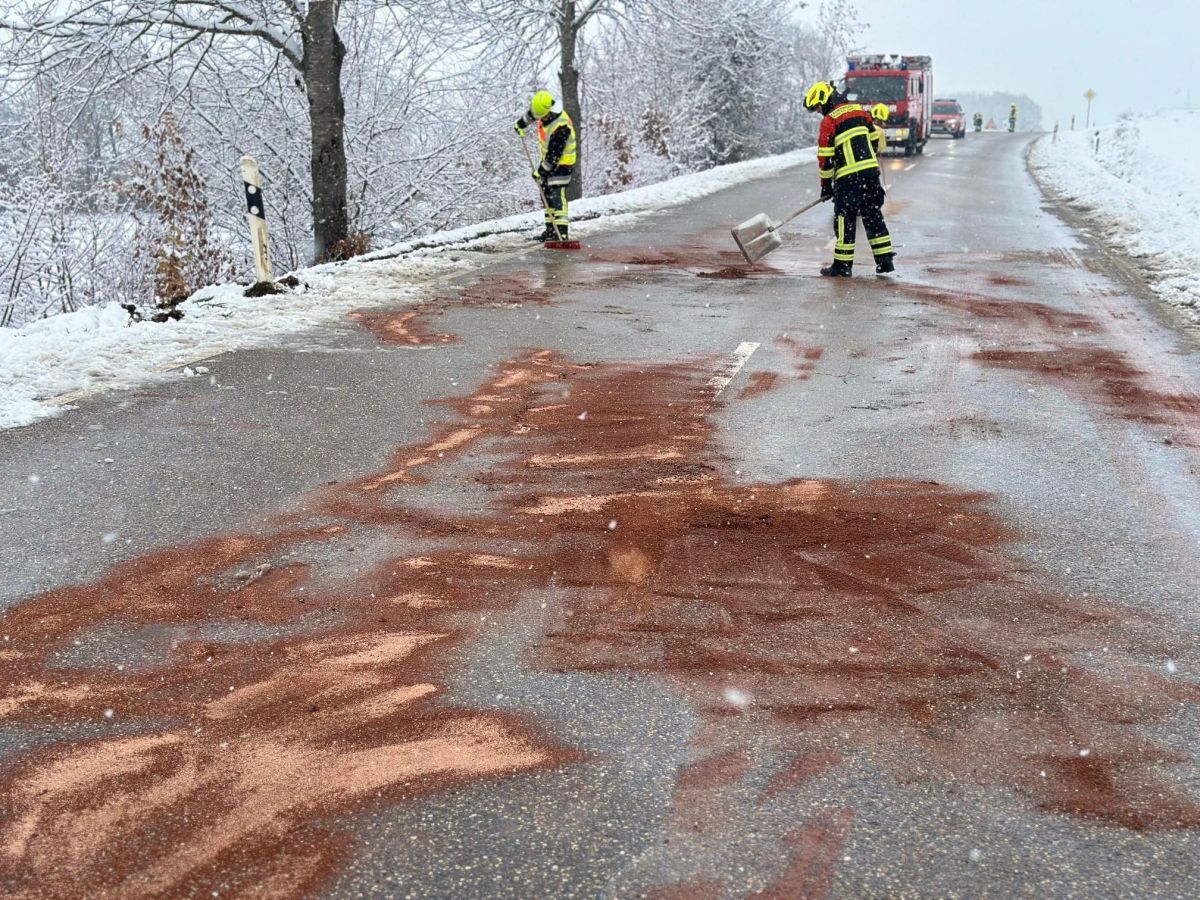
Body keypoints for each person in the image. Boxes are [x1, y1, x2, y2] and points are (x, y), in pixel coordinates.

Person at [804, 81, 895, 277]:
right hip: (871, 176)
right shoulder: (860, 111)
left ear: (825, 100)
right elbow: (873, 139)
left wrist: (826, 186)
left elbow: (825, 158)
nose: (819, 111)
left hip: (848, 179)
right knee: (873, 216)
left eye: (818, 107)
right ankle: (885, 260)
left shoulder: (830, 121)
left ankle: (842, 266)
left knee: (845, 220)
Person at [514, 90, 577, 242]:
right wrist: (520, 124)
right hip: (550, 163)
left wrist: (540, 172)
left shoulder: (561, 126)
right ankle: (550, 231)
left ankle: (561, 233)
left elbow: (553, 157)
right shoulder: (545, 112)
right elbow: (532, 115)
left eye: (542, 116)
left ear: (549, 112)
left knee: (556, 197)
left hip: (562, 165)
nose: (539, 119)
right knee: (547, 196)